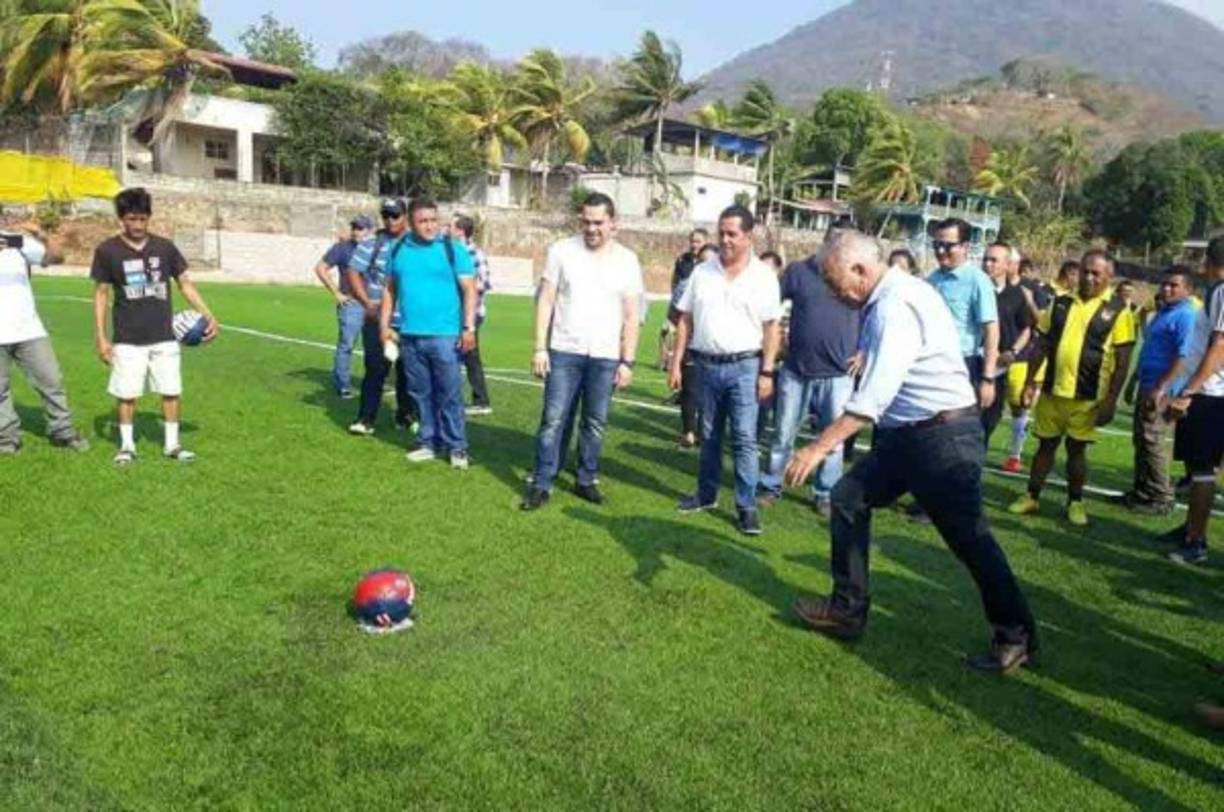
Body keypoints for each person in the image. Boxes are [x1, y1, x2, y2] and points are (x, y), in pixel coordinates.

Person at [785, 231, 1037, 673]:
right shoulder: (895, 293)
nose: (829, 290)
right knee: (848, 498)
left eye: (832, 280)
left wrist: (817, 448)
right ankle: (847, 609)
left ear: (859, 270)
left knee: (970, 539)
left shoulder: (893, 305)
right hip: (909, 435)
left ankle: (1016, 635)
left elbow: (873, 398)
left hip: (943, 438)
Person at [521, 192, 643, 510]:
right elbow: (546, 300)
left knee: (595, 422)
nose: (592, 228)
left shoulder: (627, 260)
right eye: (586, 222)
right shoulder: (561, 251)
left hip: (605, 355)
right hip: (564, 350)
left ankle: (586, 479)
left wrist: (627, 361)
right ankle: (542, 482)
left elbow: (632, 315)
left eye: (598, 222)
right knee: (553, 420)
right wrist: (540, 348)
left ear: (613, 224)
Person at [669, 205, 782, 536]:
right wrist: (676, 361)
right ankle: (706, 495)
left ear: (748, 236)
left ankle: (746, 506)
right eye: (722, 233)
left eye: (732, 234)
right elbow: (685, 319)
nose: (726, 240)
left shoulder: (763, 277)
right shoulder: (702, 272)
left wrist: (767, 372)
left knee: (744, 438)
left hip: (745, 367)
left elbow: (772, 327)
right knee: (709, 436)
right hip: (706, 365)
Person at [1008, 250, 1138, 527]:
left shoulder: (1118, 311)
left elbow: (1123, 362)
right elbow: (1041, 345)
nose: (1089, 277)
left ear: (1109, 276)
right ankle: (1031, 496)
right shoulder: (1060, 302)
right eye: (1085, 271)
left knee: (1076, 451)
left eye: (1096, 273)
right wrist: (1030, 382)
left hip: (1088, 396)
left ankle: (1075, 502)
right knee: (1045, 446)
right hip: (1052, 391)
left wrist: (1111, 400)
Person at [90, 187, 218, 465]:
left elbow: (185, 283)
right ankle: (127, 447)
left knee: (171, 390)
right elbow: (101, 294)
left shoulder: (165, 248)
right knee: (127, 394)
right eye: (132, 219)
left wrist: (208, 314)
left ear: (149, 217)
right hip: (127, 338)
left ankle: (172, 445)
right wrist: (101, 337)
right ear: (121, 219)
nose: (138, 225)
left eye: (143, 219)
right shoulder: (107, 251)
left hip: (164, 336)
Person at [757, 241, 862, 517]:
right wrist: (775, 334)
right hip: (796, 370)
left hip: (839, 374)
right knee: (783, 433)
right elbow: (770, 304)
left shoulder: (856, 273)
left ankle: (825, 493)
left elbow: (872, 314)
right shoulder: (799, 271)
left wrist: (865, 350)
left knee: (833, 440)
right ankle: (771, 485)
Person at [379, 198, 478, 469]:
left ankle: (457, 446)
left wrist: (469, 327)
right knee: (420, 393)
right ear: (411, 222)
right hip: (410, 335)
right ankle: (428, 442)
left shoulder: (452, 249)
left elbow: (470, 289)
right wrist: (384, 326)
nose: (430, 226)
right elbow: (389, 289)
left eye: (433, 220)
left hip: (445, 336)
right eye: (423, 221)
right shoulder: (399, 249)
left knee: (449, 393)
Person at [1114, 267, 1197, 515]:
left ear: (1188, 289)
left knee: (1153, 442)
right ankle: (1142, 492)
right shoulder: (1165, 311)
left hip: (1164, 390)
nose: (1166, 289)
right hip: (1148, 385)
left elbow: (1184, 356)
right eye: (1164, 284)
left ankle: (1162, 497)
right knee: (1141, 440)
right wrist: (1135, 381)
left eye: (1173, 285)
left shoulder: (1186, 315)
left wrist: (1162, 388)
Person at [1162, 237, 1224, 565]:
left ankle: (1196, 541)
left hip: (1210, 394)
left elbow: (1220, 347)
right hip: (1206, 391)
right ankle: (1188, 527)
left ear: (1209, 262)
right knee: (1194, 467)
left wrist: (1189, 390)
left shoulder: (1223, 291)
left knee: (1202, 470)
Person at [0, 232, 90, 455]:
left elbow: (56, 258)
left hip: (29, 330)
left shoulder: (16, 241)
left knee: (52, 381)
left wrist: (44, 237)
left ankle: (63, 433)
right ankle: (7, 439)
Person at [346, 198, 416, 437]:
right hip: (377, 318)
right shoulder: (373, 243)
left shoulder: (416, 244)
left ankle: (405, 415)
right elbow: (353, 271)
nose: (390, 220)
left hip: (409, 320)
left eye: (395, 215)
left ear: (405, 216)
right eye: (386, 215)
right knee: (376, 369)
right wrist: (366, 302)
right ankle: (365, 419)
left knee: (407, 371)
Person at [982, 243, 1034, 452]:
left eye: (993, 260)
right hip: (974, 362)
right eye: (985, 259)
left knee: (989, 420)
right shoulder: (976, 288)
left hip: (1000, 367)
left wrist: (1013, 351)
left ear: (1007, 264)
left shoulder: (1017, 294)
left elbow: (1027, 328)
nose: (988, 264)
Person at [314, 215, 373, 398]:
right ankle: (342, 384)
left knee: (375, 347)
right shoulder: (342, 248)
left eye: (360, 228)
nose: (356, 231)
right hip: (352, 304)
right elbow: (320, 268)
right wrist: (337, 293)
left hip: (373, 304)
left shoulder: (376, 249)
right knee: (346, 345)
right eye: (354, 227)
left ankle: (374, 384)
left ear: (369, 230)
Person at [450, 214, 493, 416]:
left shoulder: (474, 253)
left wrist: (464, 286)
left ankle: (481, 400)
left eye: (451, 226)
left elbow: (484, 283)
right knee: (462, 355)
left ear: (460, 231)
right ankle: (473, 398)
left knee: (469, 355)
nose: (447, 229)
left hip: (472, 313)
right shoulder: (451, 251)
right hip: (454, 313)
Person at [661, 229, 709, 370]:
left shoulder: (710, 261)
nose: (694, 245)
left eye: (698, 241)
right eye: (692, 241)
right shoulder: (682, 260)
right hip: (679, 308)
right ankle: (670, 365)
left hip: (698, 311)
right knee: (669, 335)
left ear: (706, 242)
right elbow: (675, 282)